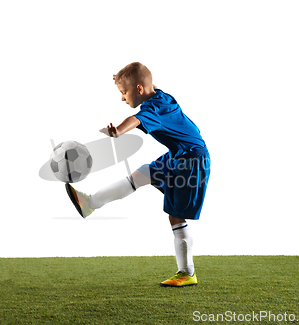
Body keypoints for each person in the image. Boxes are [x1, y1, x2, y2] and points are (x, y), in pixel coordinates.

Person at [66, 62, 210, 287]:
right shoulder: (160, 96)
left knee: (175, 216)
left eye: (124, 93)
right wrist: (123, 79)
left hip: (192, 161)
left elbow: (137, 119)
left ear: (140, 89)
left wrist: (118, 131)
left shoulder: (154, 108)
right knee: (140, 175)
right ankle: (89, 203)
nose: (123, 98)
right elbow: (144, 83)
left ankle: (187, 272)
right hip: (178, 155)